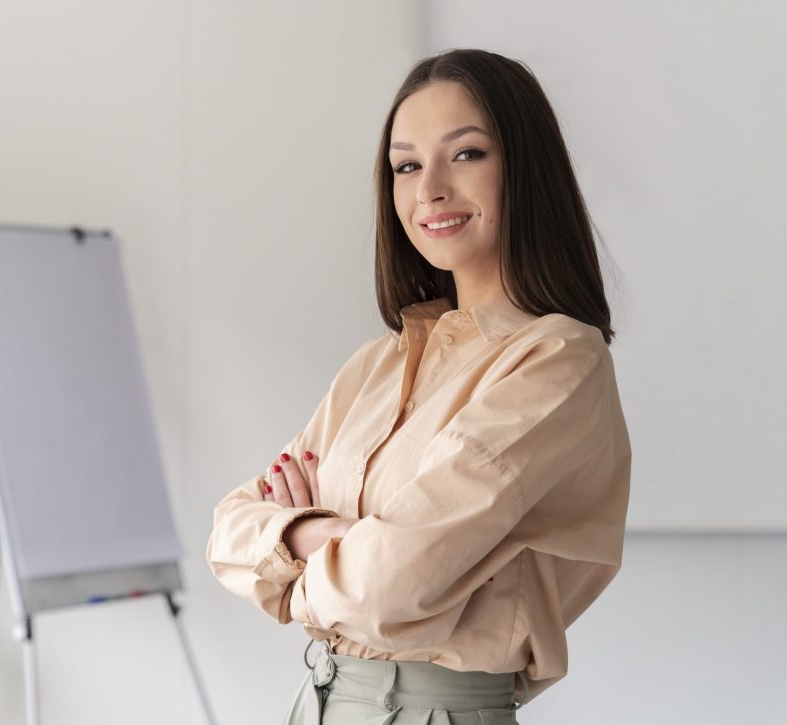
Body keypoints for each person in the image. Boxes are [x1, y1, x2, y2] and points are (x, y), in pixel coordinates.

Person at [205, 48, 632, 724]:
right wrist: (333, 533)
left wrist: (289, 551)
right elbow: (228, 532)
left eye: (464, 154)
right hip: (316, 701)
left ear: (526, 167)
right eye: (406, 165)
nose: (428, 188)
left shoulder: (556, 359)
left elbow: (389, 587)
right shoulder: (377, 363)